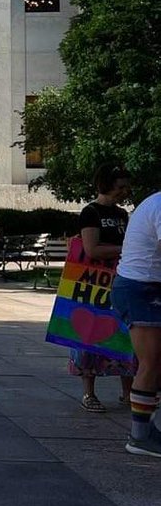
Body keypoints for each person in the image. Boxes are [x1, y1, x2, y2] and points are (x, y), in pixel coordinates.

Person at [68, 166, 135, 412]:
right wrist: (127, 249)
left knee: (124, 334)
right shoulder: (90, 212)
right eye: (120, 187)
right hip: (93, 283)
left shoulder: (122, 215)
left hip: (119, 280)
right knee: (90, 334)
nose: (125, 192)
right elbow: (92, 248)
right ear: (106, 186)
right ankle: (89, 393)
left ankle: (128, 392)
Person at [111, 187, 161, 457]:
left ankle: (147, 429)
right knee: (151, 360)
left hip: (148, 287)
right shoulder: (160, 205)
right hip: (141, 289)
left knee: (155, 361)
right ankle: (140, 436)